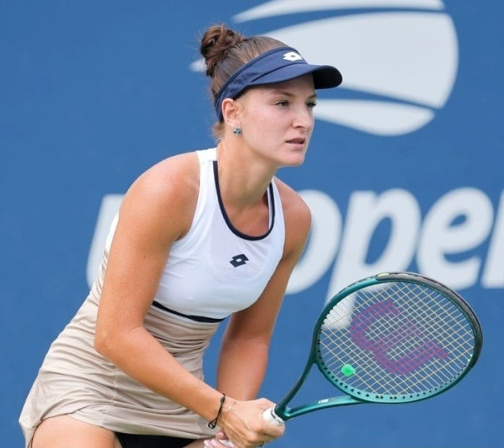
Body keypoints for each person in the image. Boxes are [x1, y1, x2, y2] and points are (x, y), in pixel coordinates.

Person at [19, 23, 342, 448]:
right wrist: (224, 409)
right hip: (89, 389)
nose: (303, 120)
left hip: (185, 405)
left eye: (310, 104)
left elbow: (250, 336)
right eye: (282, 103)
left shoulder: (294, 218)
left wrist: (232, 428)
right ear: (233, 113)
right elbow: (115, 333)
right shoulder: (170, 189)